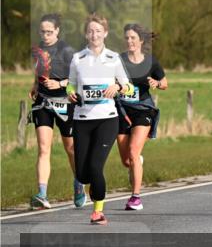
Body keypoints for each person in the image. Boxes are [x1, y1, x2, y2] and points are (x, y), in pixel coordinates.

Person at [66, 14, 134, 226]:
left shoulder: (113, 58)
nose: (94, 34)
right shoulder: (78, 59)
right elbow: (70, 84)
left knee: (96, 167)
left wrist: (119, 87)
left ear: (105, 33)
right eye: (90, 31)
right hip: (82, 119)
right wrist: (70, 93)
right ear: (86, 34)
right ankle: (91, 184)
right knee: (84, 174)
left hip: (107, 120)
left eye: (98, 31)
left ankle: (98, 211)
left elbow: (130, 87)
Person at [115, 23, 168, 211]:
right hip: (121, 110)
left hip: (143, 110)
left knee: (133, 151)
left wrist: (156, 82)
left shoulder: (150, 61)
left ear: (141, 40)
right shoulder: (118, 60)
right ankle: (137, 162)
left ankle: (135, 197)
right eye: (127, 38)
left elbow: (165, 83)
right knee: (126, 161)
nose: (129, 41)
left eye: (133, 38)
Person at [28, 14, 78, 209]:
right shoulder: (37, 49)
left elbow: (76, 78)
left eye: (49, 32)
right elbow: (39, 69)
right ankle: (42, 193)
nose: (46, 35)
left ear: (57, 30)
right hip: (43, 103)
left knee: (71, 149)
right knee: (43, 148)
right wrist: (35, 85)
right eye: (43, 32)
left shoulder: (67, 50)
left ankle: (79, 183)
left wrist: (60, 83)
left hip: (65, 102)